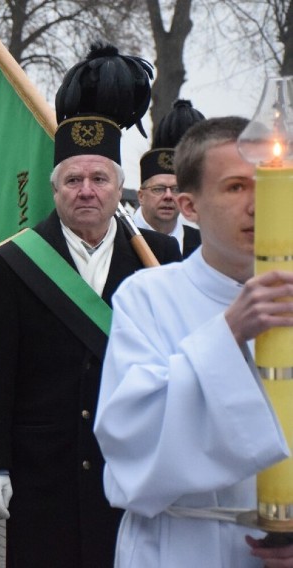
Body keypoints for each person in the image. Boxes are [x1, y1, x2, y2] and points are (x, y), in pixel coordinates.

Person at [0, 44, 182, 568]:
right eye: (73, 180)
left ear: (119, 187)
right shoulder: (15, 262)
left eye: (99, 179)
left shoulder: (159, 258)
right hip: (42, 474)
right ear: (54, 187)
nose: (87, 191)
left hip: (130, 473)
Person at [94, 116, 293, 567]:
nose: (258, 204)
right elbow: (128, 436)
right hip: (179, 542)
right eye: (236, 187)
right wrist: (228, 334)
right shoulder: (148, 297)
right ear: (189, 206)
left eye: (269, 184)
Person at [134, 99, 204, 257]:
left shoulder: (202, 245)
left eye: (176, 190)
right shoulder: (119, 237)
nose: (168, 197)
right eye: (158, 189)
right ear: (141, 196)